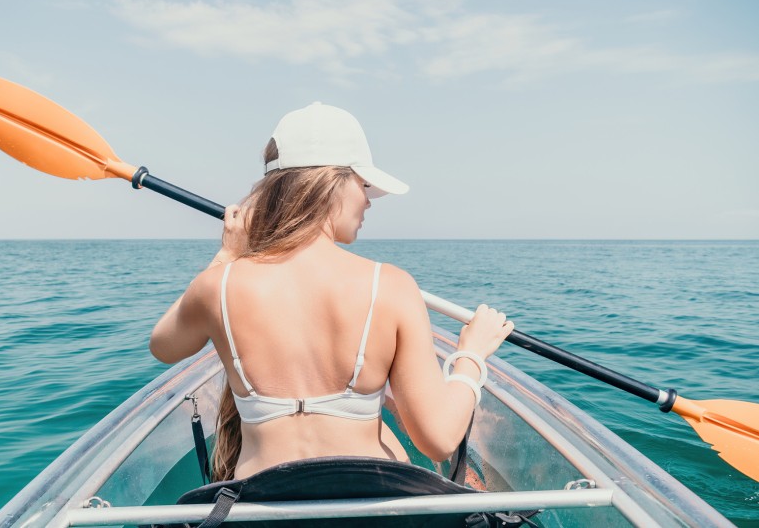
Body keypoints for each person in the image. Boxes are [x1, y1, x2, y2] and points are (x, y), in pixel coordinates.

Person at [149, 102, 514, 482]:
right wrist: (471, 354)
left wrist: (227, 253)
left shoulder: (218, 286)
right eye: (364, 184)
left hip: (260, 509)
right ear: (332, 183)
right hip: (372, 506)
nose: (369, 199)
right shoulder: (390, 286)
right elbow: (437, 440)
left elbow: (163, 346)